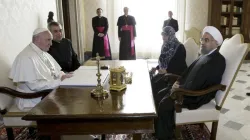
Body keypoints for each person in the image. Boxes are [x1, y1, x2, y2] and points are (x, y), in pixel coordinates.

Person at [154, 26, 226, 140]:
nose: (202, 43)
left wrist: (180, 89)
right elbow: (186, 72)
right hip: (185, 89)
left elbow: (202, 83)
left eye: (206, 40)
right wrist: (177, 82)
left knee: (164, 104)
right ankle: (165, 129)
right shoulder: (203, 55)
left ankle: (164, 136)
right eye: (202, 39)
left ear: (216, 43)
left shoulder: (218, 60)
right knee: (159, 93)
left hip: (195, 95)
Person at [9, 28, 73, 111]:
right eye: (48, 40)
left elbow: (55, 71)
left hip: (47, 93)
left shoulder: (43, 52)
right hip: (33, 100)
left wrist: (64, 75)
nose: (51, 43)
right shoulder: (26, 57)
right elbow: (34, 86)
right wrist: (60, 81)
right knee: (69, 105)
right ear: (38, 40)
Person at [150, 26, 187, 96]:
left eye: (165, 35)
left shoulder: (179, 47)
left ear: (171, 35)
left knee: (155, 86)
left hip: (175, 76)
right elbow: (165, 62)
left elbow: (180, 65)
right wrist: (157, 68)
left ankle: (156, 105)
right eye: (162, 35)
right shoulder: (165, 45)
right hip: (165, 73)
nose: (163, 37)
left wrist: (167, 70)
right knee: (151, 80)